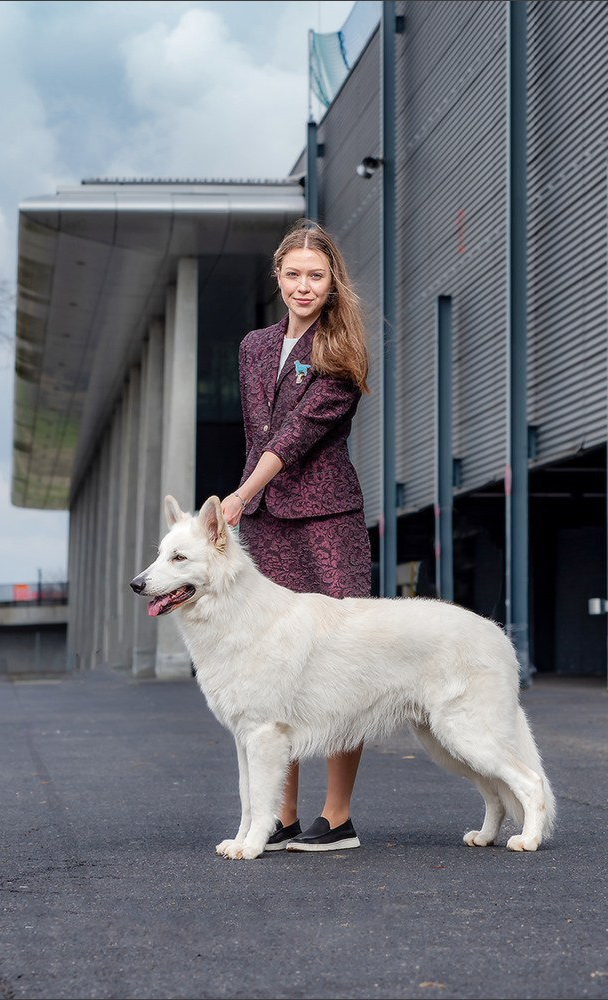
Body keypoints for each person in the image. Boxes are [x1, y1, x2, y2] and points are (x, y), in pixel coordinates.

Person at [220, 218, 371, 853]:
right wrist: (248, 503)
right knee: (275, 668)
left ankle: (336, 819)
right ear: (278, 277)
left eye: (316, 275)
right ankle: (280, 816)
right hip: (266, 525)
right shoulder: (255, 345)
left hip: (327, 521)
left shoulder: (341, 349)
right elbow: (257, 432)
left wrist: (241, 493)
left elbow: (295, 437)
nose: (304, 286)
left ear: (332, 281)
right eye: (293, 274)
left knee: (342, 663)